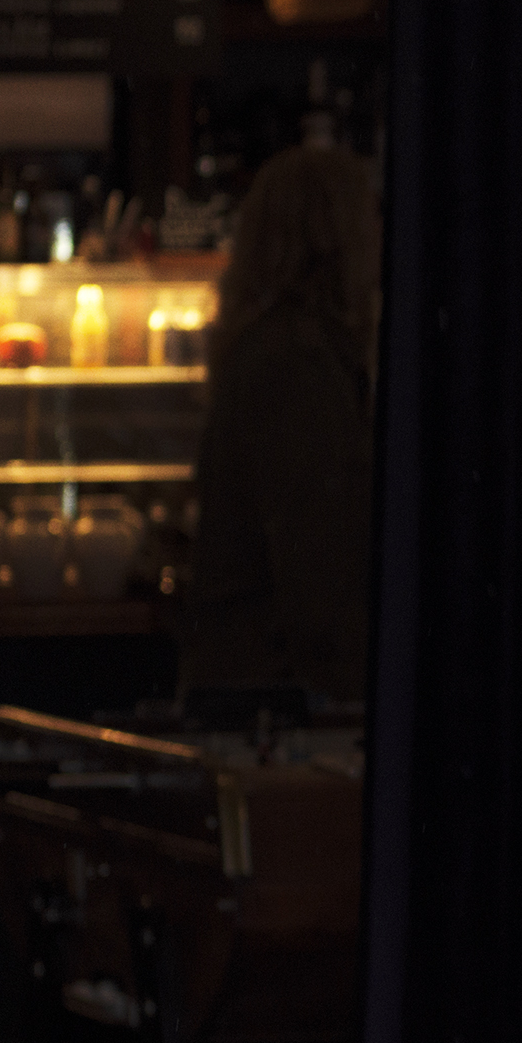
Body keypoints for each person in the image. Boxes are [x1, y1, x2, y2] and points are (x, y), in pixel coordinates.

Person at [174, 129, 381, 705]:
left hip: (244, 674)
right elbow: (321, 568)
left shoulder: (265, 348)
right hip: (276, 691)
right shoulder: (300, 368)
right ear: (340, 238)